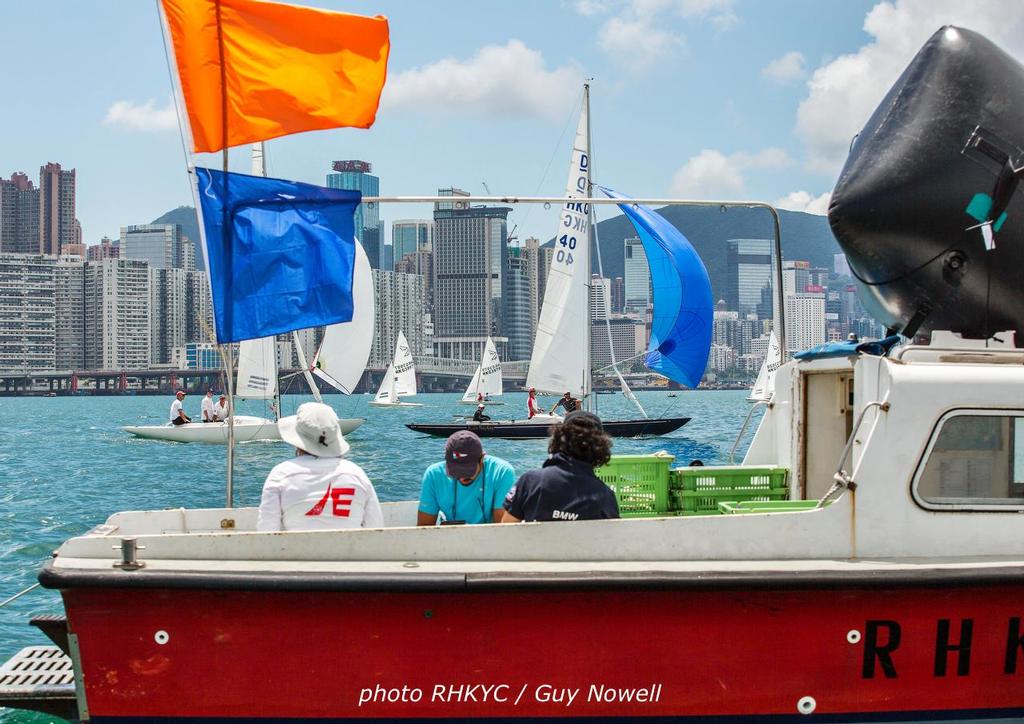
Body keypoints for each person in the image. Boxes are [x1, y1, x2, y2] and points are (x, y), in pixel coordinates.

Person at [257, 402, 383, 531]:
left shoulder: (281, 474)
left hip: (295, 550)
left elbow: (266, 531)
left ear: (297, 439)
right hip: (350, 550)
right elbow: (376, 528)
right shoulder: (356, 474)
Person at [502, 410, 619, 523]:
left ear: (559, 439)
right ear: (600, 447)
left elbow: (506, 528)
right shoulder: (605, 495)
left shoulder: (530, 482)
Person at [417, 430, 515, 526]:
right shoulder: (433, 474)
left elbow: (501, 528)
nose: (462, 478)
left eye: (468, 471)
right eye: (455, 471)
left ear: (482, 459)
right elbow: (424, 527)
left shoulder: (502, 472)